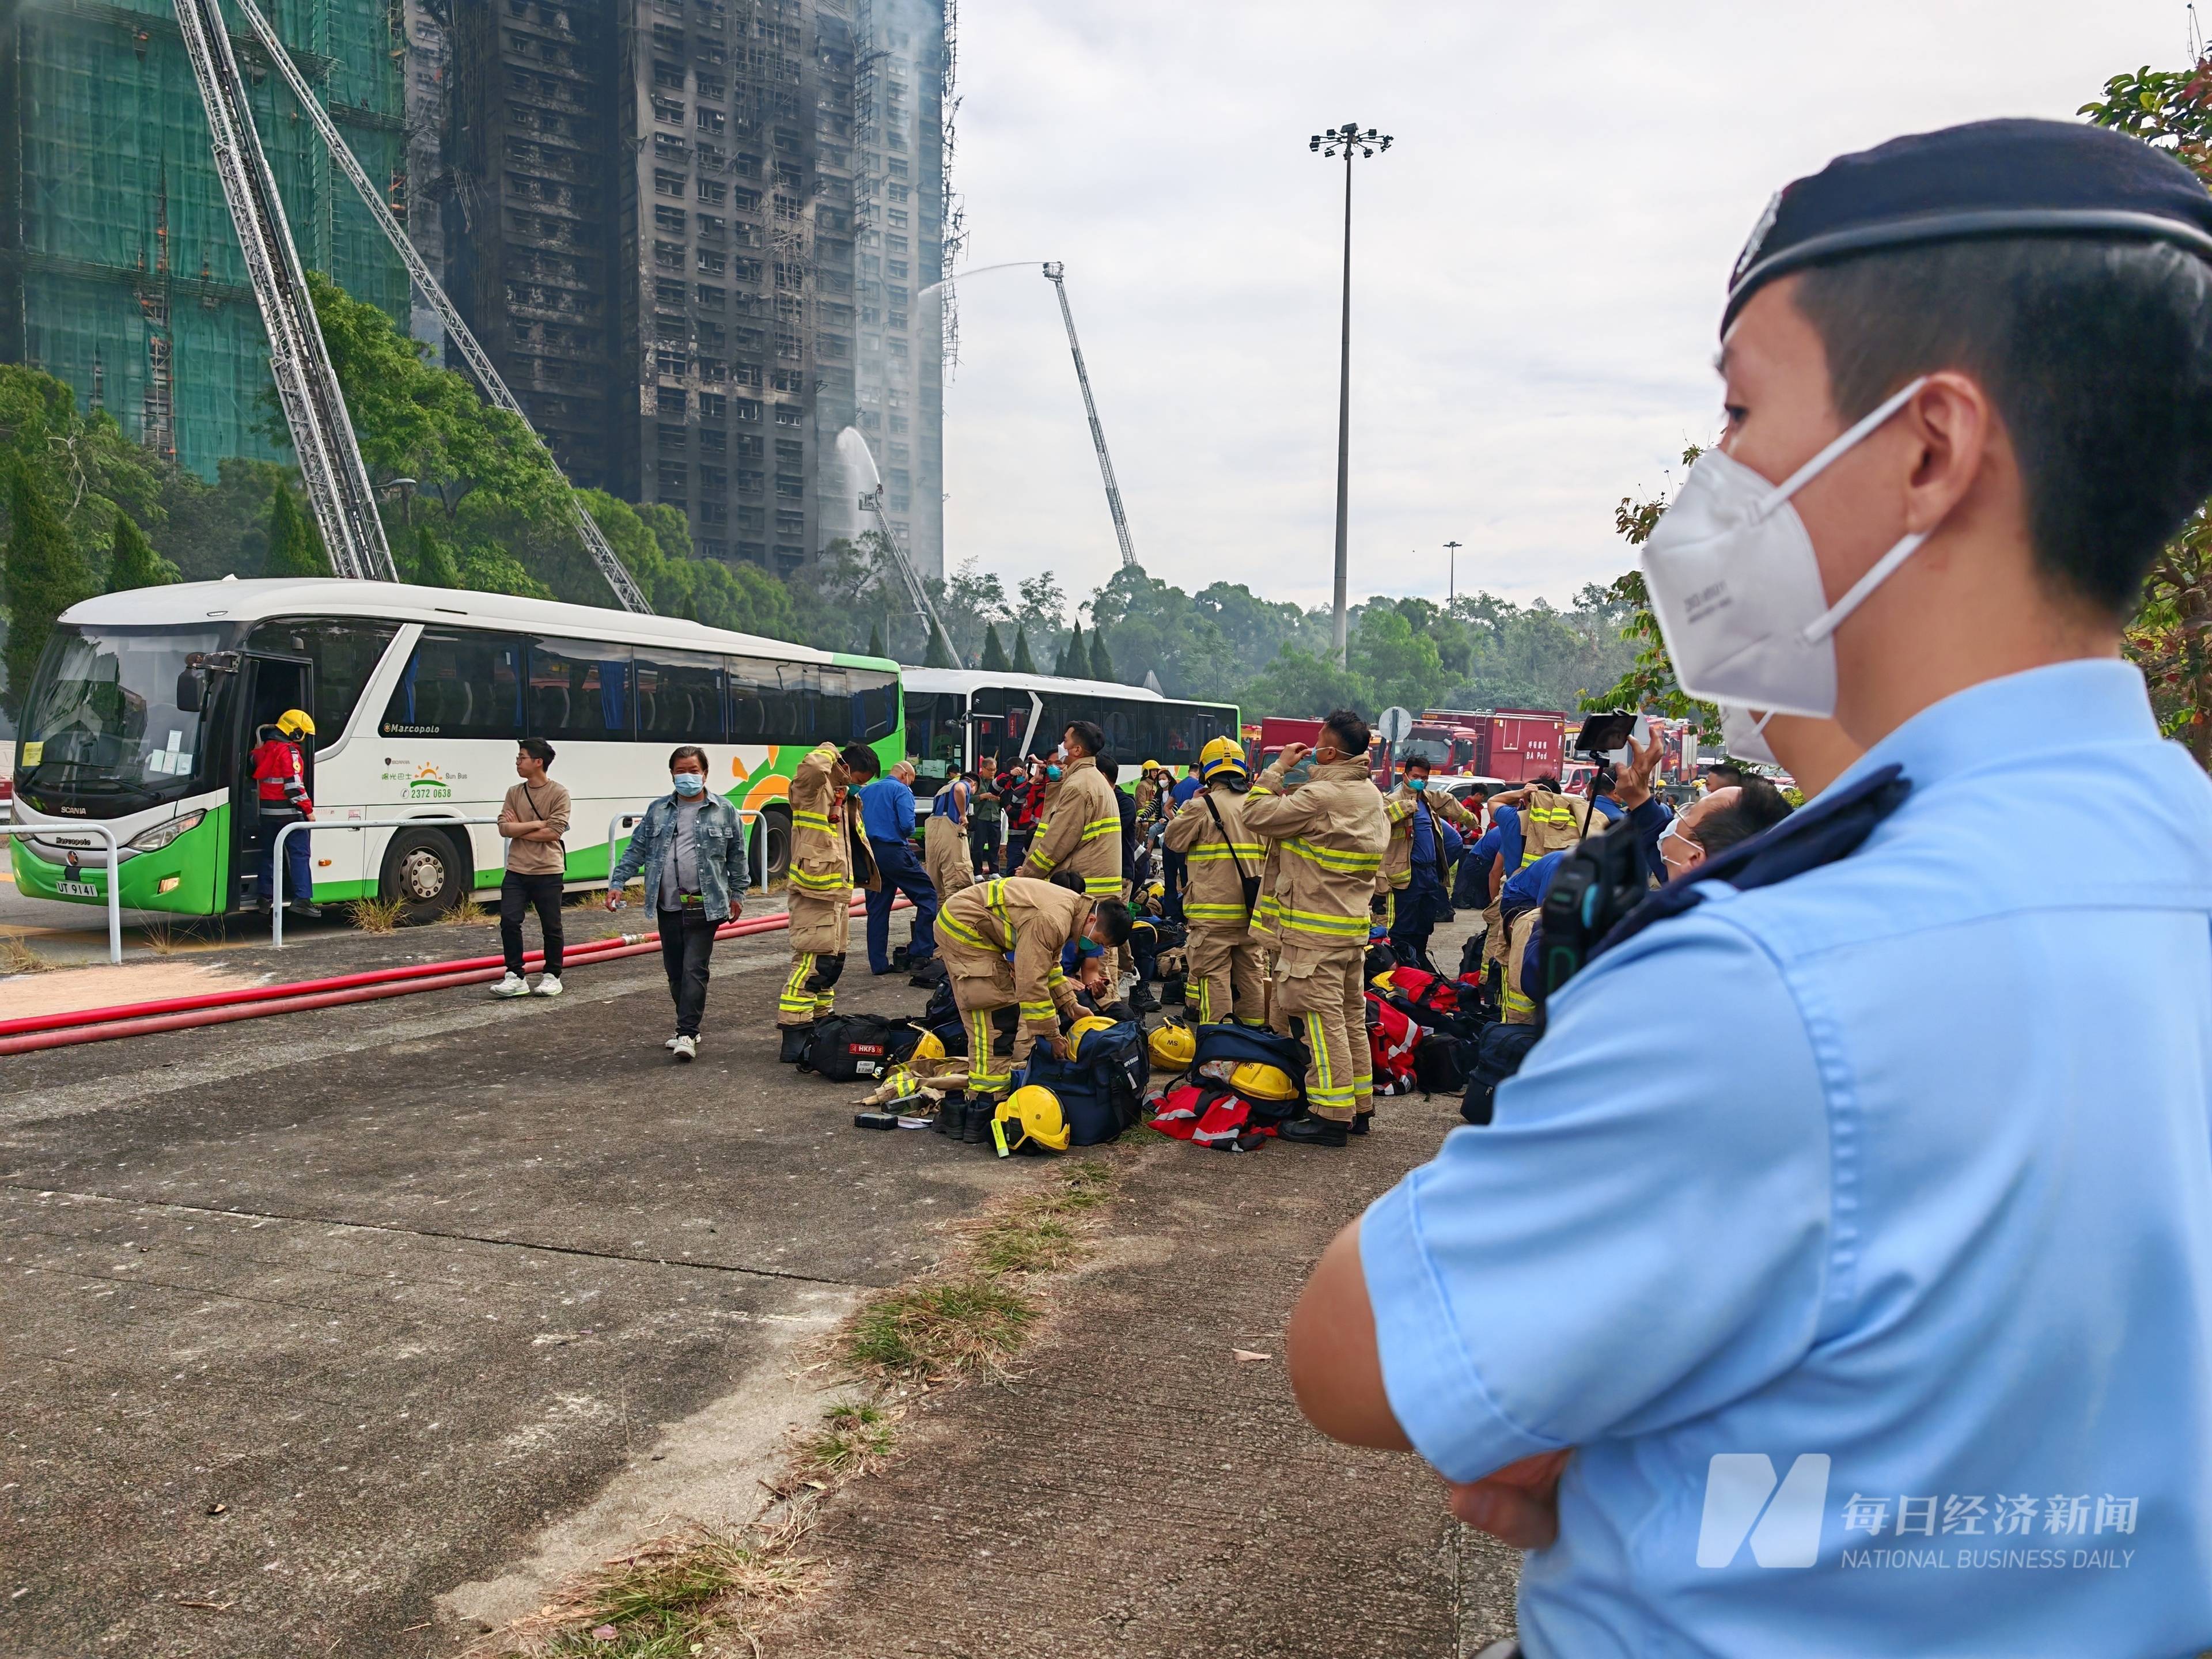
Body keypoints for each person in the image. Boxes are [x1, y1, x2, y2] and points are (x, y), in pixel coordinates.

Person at [1287, 118, 2212, 1653]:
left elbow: (1356, 1355)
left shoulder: (1776, 988)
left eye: (1739, 411)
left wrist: (1630, 1419)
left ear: (1929, 449)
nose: (1713, 484)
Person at [1241, 710, 1391, 1145]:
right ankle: (1359, 1107)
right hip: (1348, 930)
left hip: (1313, 935)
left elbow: (1256, 814)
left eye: (1317, 742)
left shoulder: (1320, 796)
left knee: (1321, 1024)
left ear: (1330, 751)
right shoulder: (1370, 795)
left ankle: (1330, 1116)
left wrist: (1279, 767)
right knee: (1348, 1018)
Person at [934, 874, 1134, 1104]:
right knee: (993, 1021)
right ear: (1091, 920)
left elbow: (1049, 965)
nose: (1095, 947)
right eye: (1098, 942)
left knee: (1000, 1019)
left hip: (976, 928)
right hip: (964, 929)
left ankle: (988, 1096)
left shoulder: (1071, 913)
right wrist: (1052, 1036)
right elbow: (1031, 982)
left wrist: (1070, 1005)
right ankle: (986, 1101)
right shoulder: (1053, 919)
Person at [607, 747, 748, 1060]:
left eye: (694, 771)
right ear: (672, 774)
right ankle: (689, 1028)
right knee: (675, 971)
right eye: (682, 771)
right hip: (667, 904)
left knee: (694, 967)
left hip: (706, 904)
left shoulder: (724, 810)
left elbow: (738, 856)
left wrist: (739, 894)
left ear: (705, 773)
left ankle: (686, 1032)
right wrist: (617, 883)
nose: (688, 777)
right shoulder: (658, 810)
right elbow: (636, 849)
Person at [775, 740, 873, 1061]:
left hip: (837, 893)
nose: (859, 786)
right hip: (813, 892)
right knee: (812, 963)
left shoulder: (844, 799)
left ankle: (821, 1021)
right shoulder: (811, 792)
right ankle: (795, 1031)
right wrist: (831, 750)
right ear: (844, 767)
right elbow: (815, 768)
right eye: (858, 779)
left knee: (831, 965)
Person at [1161, 736, 1266, 1026]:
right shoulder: (1259, 805)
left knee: (1213, 979)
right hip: (1251, 912)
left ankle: (1219, 1045)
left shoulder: (1202, 806)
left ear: (1208, 771)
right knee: (1251, 978)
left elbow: (1173, 841)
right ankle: (1254, 1042)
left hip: (1212, 914)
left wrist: (1188, 808)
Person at [490, 737, 571, 998]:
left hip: (548, 869)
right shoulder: (514, 792)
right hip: (517, 869)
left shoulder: (559, 793)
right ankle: (515, 975)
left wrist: (521, 828)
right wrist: (538, 824)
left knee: (552, 925)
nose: (517, 762)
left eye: (522, 757)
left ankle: (552, 975)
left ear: (539, 762)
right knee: (510, 921)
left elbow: (554, 832)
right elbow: (504, 828)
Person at [1381, 756, 1479, 974]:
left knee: (1426, 921)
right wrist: (1404, 808)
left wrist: (1471, 820)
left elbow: (1449, 802)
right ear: (1405, 775)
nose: (1420, 781)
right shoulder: (1393, 800)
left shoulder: (1427, 800)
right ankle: (1403, 962)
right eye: (1415, 777)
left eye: (1424, 778)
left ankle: (1419, 958)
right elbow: (1379, 820)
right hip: (1407, 873)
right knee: (1405, 923)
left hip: (1429, 873)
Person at [853, 753, 939, 979]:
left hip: (870, 854)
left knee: (878, 909)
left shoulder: (866, 791)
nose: (911, 783)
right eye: (911, 779)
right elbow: (908, 826)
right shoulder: (902, 790)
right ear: (904, 775)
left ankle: (879, 963)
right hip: (894, 851)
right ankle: (921, 954)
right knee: (928, 897)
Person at [1018, 720, 1123, 903]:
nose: (1061, 745)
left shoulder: (1079, 787)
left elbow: (1055, 844)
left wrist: (1026, 876)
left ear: (1077, 750)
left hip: (1081, 890)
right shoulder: (1092, 778)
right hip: (1092, 889)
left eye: (1065, 741)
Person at [249, 708, 318, 915]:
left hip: (267, 814)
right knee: (299, 854)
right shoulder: (289, 752)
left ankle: (264, 897)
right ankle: (303, 899)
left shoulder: (263, 750)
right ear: (295, 732)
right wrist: (309, 811)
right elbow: (294, 787)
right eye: (302, 734)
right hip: (289, 815)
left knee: (269, 854)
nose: (303, 739)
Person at [923, 770, 976, 902]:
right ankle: (954, 918)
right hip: (950, 832)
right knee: (957, 879)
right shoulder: (965, 784)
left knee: (936, 884)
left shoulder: (942, 790)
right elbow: (959, 789)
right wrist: (963, 814)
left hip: (932, 833)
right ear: (974, 784)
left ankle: (937, 919)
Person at [968, 758, 1003, 875]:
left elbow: (1006, 799)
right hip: (981, 819)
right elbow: (968, 798)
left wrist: (999, 799)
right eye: (990, 770)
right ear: (983, 769)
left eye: (994, 770)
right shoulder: (976, 782)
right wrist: (982, 797)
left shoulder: (999, 783)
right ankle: (977, 872)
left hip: (995, 818)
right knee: (978, 847)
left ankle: (994, 871)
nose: (993, 772)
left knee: (994, 846)